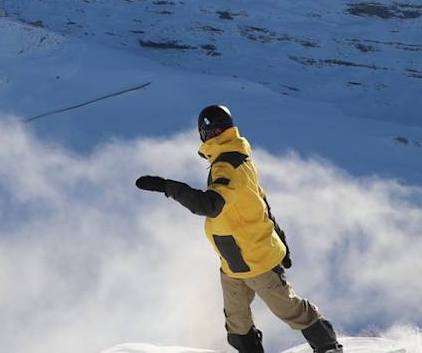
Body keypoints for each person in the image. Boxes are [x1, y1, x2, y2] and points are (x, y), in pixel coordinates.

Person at [136, 104, 341, 353]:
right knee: (237, 326)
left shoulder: (228, 166)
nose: (211, 136)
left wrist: (167, 186)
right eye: (208, 132)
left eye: (215, 131)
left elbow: (210, 205)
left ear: (226, 130)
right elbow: (259, 202)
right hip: (232, 261)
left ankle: (328, 347)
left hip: (256, 259)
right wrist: (281, 238)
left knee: (290, 310)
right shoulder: (231, 161)